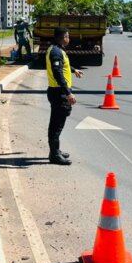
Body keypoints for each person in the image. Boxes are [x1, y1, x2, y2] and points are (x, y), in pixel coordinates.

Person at [46, 27, 83, 165]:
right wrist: (68, 93)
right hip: (59, 93)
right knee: (56, 125)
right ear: (62, 37)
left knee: (57, 123)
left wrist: (74, 70)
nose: (69, 38)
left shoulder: (56, 49)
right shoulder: (56, 51)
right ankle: (54, 155)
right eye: (67, 36)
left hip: (57, 91)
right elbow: (57, 73)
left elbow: (63, 67)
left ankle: (55, 151)